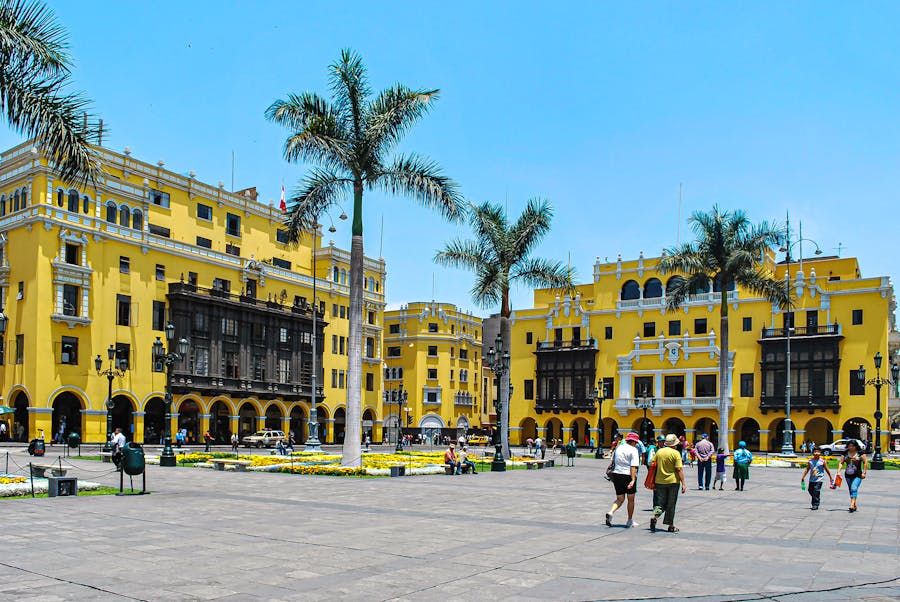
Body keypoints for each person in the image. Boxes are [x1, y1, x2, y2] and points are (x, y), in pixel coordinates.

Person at [650, 434, 686, 533]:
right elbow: (679, 469)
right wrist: (683, 483)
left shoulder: (659, 452)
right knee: (671, 504)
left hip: (659, 481)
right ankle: (670, 525)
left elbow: (653, 464)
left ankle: (655, 517)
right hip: (673, 482)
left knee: (659, 503)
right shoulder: (676, 453)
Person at [605, 432, 641, 528]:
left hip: (616, 474)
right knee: (631, 499)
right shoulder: (633, 450)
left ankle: (611, 512)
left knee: (620, 498)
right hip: (627, 475)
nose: (636, 444)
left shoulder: (619, 448)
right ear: (633, 441)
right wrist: (633, 480)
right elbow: (633, 467)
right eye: (636, 442)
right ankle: (630, 520)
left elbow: (613, 460)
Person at [838, 440, 867, 512]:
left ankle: (851, 504)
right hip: (848, 474)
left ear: (856, 446)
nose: (851, 447)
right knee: (851, 489)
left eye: (852, 446)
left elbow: (865, 463)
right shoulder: (845, 453)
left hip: (858, 474)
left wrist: (864, 473)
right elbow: (841, 463)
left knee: (854, 488)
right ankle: (854, 504)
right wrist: (838, 472)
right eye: (849, 446)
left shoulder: (860, 453)